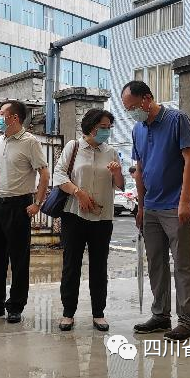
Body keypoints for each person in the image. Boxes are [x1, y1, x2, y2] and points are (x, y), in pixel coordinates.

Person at [121, 80, 190, 341]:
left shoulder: (177, 120)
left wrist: (185, 201)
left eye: (133, 106)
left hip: (175, 204)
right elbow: (140, 169)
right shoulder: (138, 129)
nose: (131, 112)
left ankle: (187, 321)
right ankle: (160, 315)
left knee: (183, 263)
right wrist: (141, 206)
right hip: (151, 206)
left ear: (147, 99)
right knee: (156, 262)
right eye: (127, 109)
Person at [0, 101, 50, 324]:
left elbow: (44, 175)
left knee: (18, 259)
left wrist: (37, 204)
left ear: (14, 117)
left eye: (1, 114)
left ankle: (15, 305)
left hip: (19, 206)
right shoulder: (0, 140)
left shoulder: (30, 142)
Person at [53, 109, 125, 332]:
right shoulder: (73, 147)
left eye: (109, 127)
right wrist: (78, 192)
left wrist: (117, 173)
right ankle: (68, 313)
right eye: (103, 127)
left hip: (102, 217)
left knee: (99, 266)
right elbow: (59, 175)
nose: (107, 131)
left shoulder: (111, 152)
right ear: (91, 126)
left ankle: (98, 313)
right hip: (74, 215)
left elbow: (120, 185)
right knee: (71, 265)